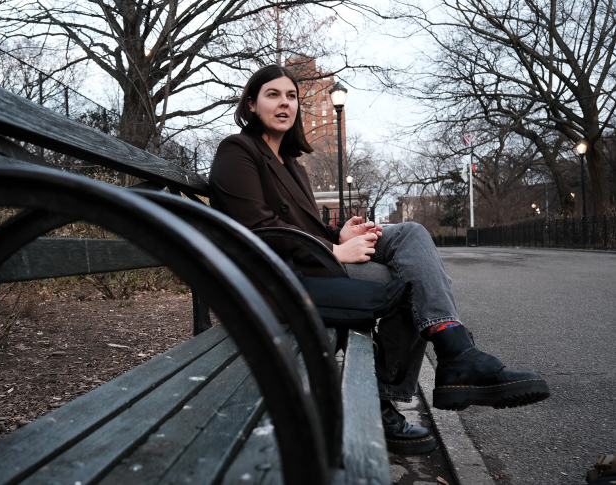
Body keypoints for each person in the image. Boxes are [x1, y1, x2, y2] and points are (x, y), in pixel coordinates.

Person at [209, 65, 550, 455]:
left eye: (291, 95)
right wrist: (335, 251)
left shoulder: (293, 164)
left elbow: (298, 224)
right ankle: (405, 388)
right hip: (277, 278)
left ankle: (451, 349)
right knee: (409, 286)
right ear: (251, 104)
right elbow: (255, 229)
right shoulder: (238, 151)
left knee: (413, 235)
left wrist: (339, 235)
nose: (284, 102)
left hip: (312, 260)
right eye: (273, 94)